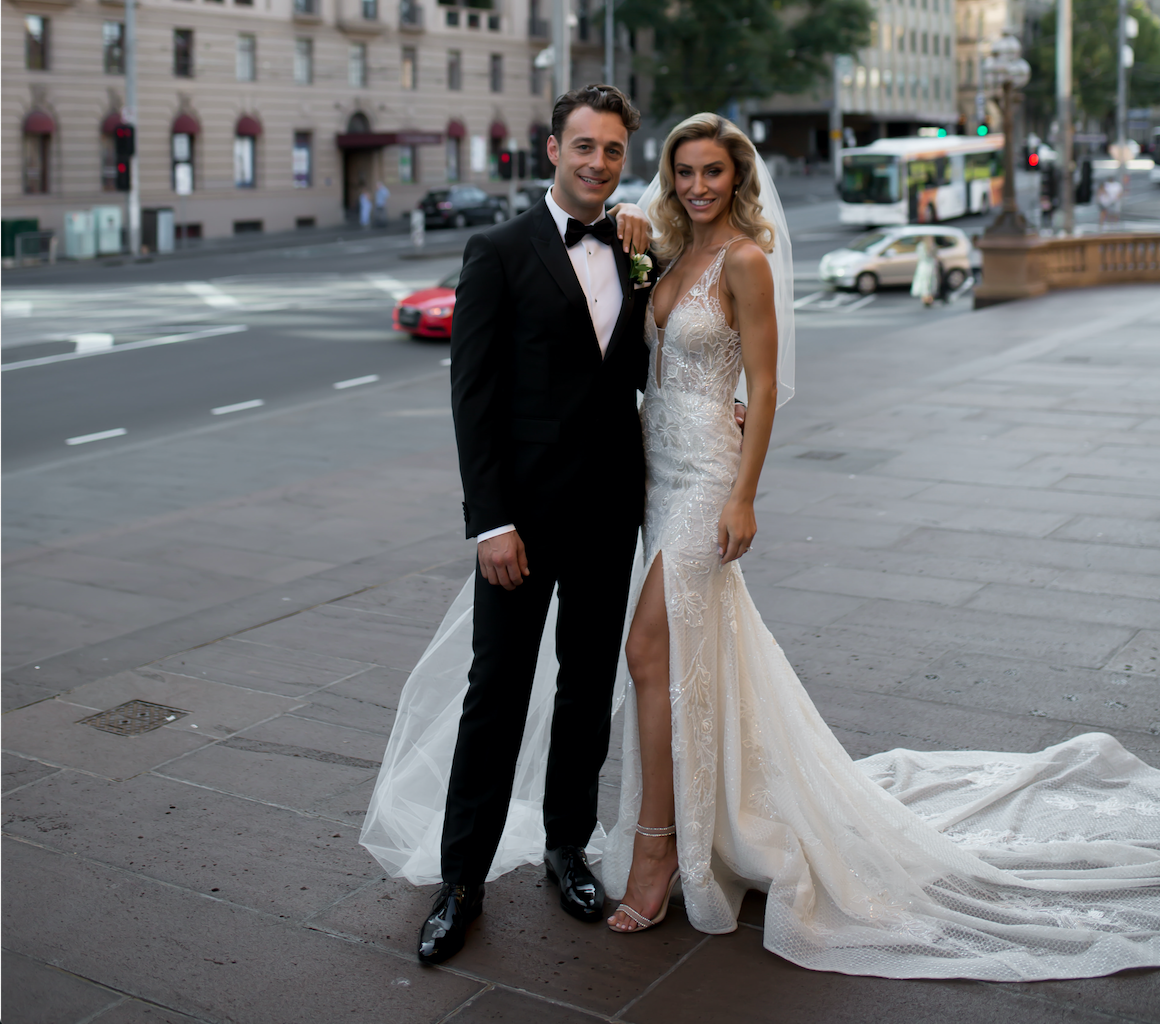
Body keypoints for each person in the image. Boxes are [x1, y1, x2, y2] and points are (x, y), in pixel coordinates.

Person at [598, 113, 1160, 980]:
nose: (698, 187)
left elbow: (766, 383)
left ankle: (658, 850)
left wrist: (745, 495)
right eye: (685, 174)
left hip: (709, 478)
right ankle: (696, 822)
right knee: (683, 659)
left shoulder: (745, 259)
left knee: (647, 650)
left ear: (737, 177)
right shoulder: (670, 256)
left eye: (713, 172)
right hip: (657, 469)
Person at [362, 84, 656, 967]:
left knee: (586, 687)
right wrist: (489, 522)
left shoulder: (637, 248)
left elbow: (643, 369)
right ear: (551, 150)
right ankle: (461, 882)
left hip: (610, 514)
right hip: (519, 527)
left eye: (611, 149)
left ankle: (568, 848)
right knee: (496, 697)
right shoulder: (496, 249)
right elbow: (473, 400)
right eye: (583, 147)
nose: (598, 162)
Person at [910, 234, 940, 307]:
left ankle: (926, 299)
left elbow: (919, 256)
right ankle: (928, 299)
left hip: (924, 265)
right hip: (929, 266)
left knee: (924, 282)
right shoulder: (930, 246)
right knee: (928, 282)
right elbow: (935, 256)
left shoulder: (922, 245)